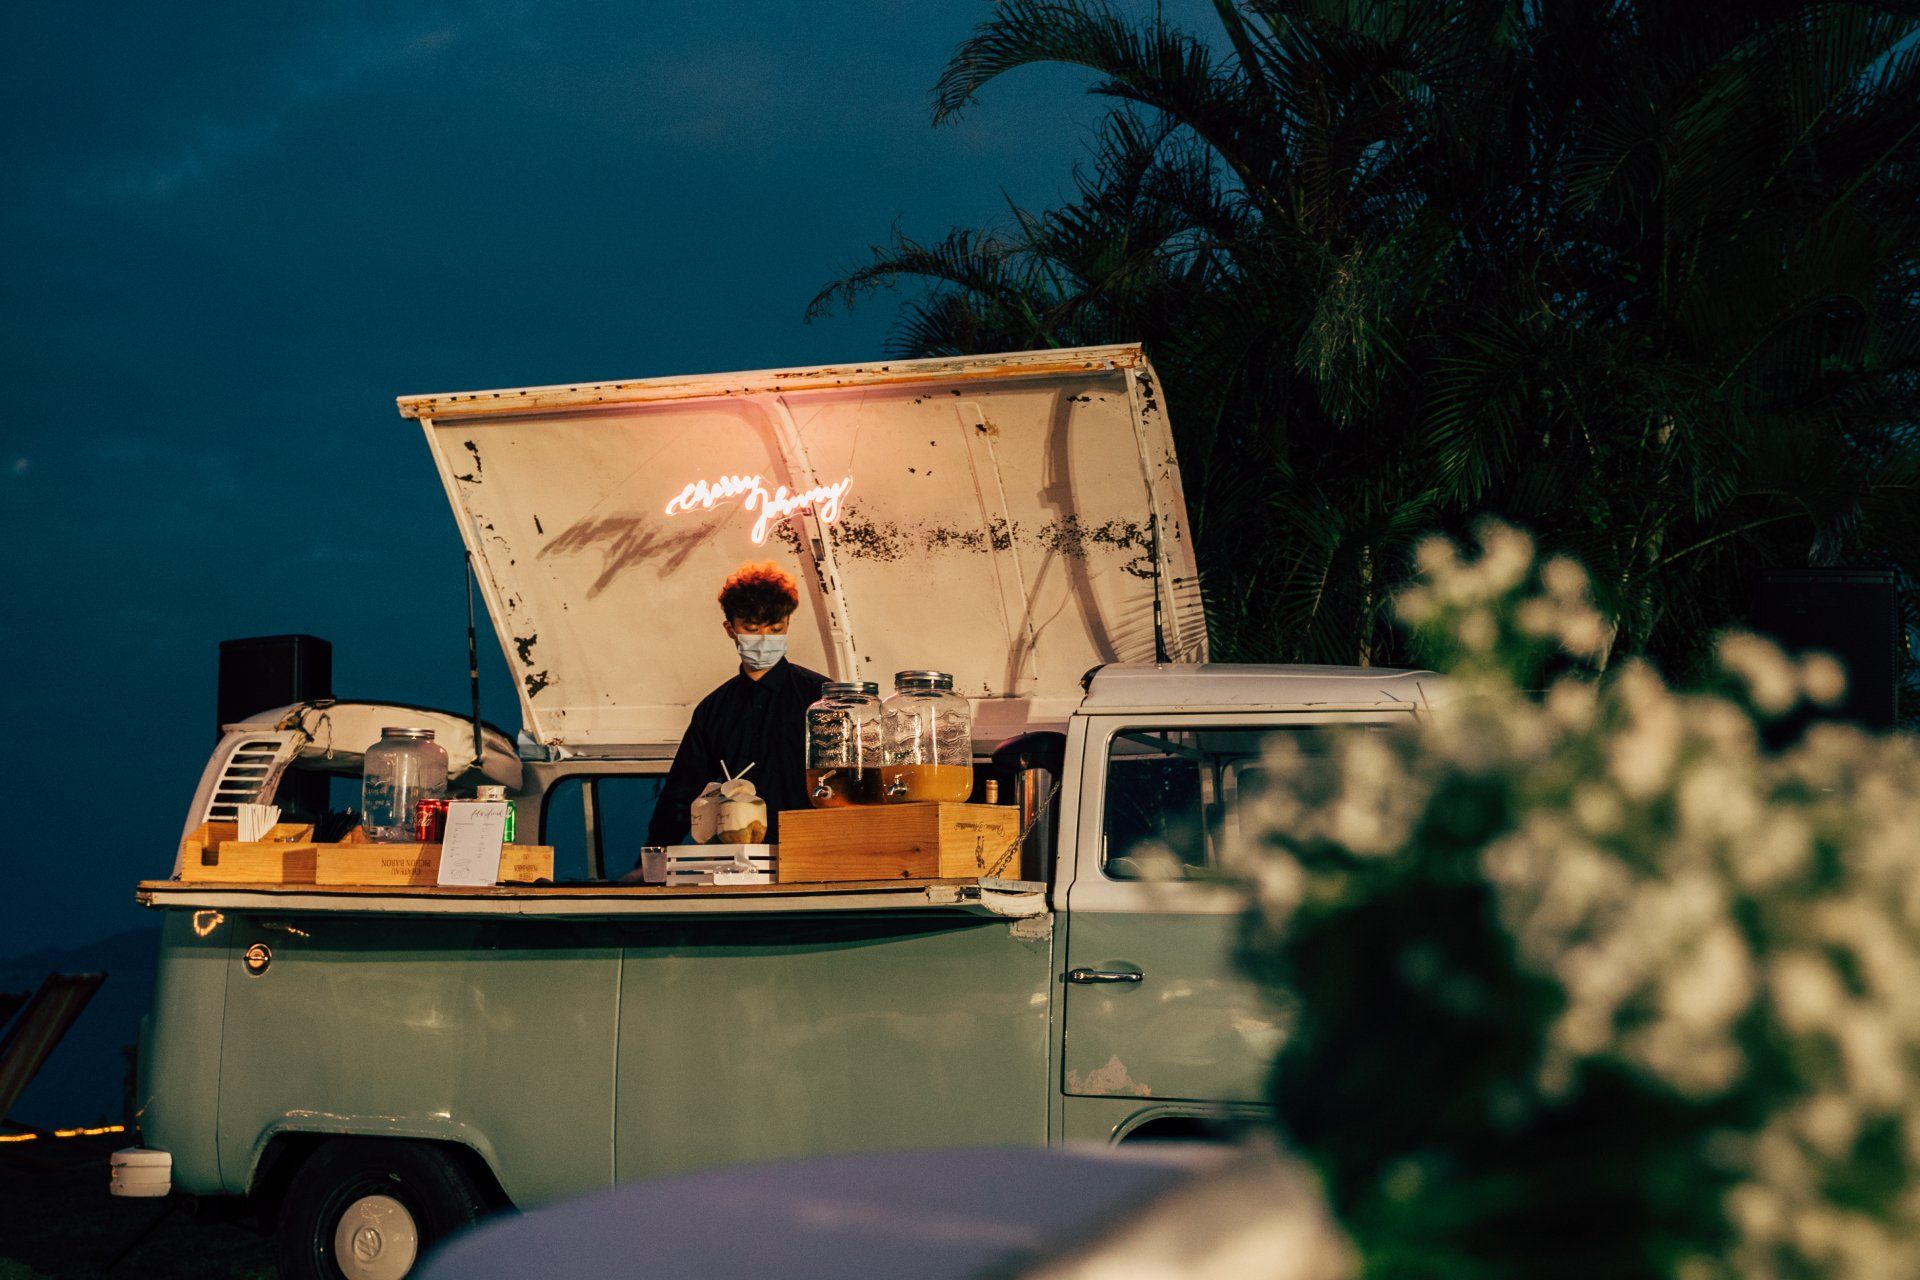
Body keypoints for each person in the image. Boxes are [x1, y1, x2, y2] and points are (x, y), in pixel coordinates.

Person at [646, 561, 827, 848]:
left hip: (816, 849)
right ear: (730, 629)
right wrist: (653, 853)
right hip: (737, 857)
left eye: (776, 628)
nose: (765, 639)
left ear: (788, 624)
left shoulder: (821, 698)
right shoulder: (713, 710)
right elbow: (681, 792)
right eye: (752, 629)